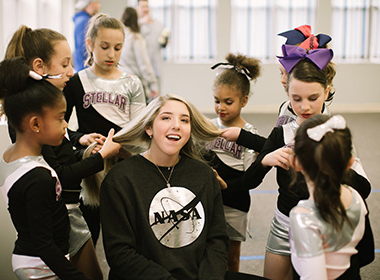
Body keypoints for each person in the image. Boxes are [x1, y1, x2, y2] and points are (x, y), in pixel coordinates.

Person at [222, 45, 371, 280]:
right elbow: (248, 181)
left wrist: (329, 165)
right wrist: (265, 161)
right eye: (296, 99)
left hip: (327, 227)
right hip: (285, 223)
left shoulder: (336, 134)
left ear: (327, 91)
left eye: (313, 98)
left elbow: (364, 188)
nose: (304, 107)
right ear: (287, 94)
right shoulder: (282, 133)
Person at [101, 94, 270, 280]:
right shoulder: (120, 179)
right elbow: (120, 254)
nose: (176, 125)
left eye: (184, 120)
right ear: (148, 128)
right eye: (166, 118)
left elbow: (217, 240)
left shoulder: (204, 174)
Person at [3, 25, 122, 280]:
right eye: (65, 64)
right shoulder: (32, 119)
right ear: (39, 66)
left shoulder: (47, 113)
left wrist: (81, 140)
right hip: (63, 215)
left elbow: (62, 144)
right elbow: (58, 172)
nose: (71, 71)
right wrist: (99, 158)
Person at [0, 57, 91, 279]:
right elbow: (44, 244)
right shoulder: (39, 178)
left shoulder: (10, 156)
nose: (66, 125)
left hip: (33, 259)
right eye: (60, 119)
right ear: (36, 124)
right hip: (40, 267)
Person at [64, 14, 147, 245]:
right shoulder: (75, 82)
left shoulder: (132, 82)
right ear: (90, 44)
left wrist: (124, 147)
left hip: (124, 166)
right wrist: (81, 139)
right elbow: (59, 126)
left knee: (125, 235)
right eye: (104, 46)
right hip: (91, 170)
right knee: (89, 233)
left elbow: (140, 129)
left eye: (118, 48)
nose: (111, 54)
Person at [289, 114, 373, 279]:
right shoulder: (356, 197)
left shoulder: (303, 217)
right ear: (350, 163)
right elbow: (367, 254)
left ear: (295, 162)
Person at [205, 53, 266, 272]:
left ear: (244, 101)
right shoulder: (209, 127)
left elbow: (251, 175)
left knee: (231, 258)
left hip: (235, 202)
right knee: (206, 250)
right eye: (216, 101)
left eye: (228, 102)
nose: (221, 107)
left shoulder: (249, 134)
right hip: (210, 200)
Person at [276, 25, 335, 127]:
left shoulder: (323, 123)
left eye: (287, 73)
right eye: (281, 73)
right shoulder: (285, 108)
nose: (282, 80)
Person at [120, 6, 159, 101]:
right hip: (134, 84)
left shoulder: (118, 37)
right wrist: (153, 85)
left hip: (119, 82)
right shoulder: (136, 39)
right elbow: (144, 65)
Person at [136, 0, 170, 92]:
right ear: (137, 8)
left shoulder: (158, 24)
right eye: (142, 6)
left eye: (147, 6)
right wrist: (141, 22)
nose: (145, 9)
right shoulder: (135, 26)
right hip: (141, 69)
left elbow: (163, 43)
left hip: (156, 67)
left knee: (157, 97)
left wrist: (166, 41)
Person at [73, 0, 101, 71]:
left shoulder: (81, 20)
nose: (99, 6)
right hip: (85, 67)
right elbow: (85, 47)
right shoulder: (85, 22)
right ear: (91, 4)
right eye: (98, 3)